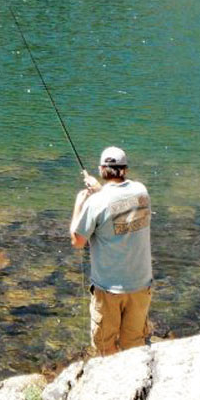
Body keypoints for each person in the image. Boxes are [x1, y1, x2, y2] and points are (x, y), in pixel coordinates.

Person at [68, 146, 153, 356]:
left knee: (105, 348)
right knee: (135, 345)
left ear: (101, 169)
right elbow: (118, 207)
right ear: (125, 169)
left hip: (109, 289)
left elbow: (77, 241)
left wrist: (80, 204)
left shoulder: (96, 202)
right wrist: (100, 192)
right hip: (141, 285)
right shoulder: (142, 192)